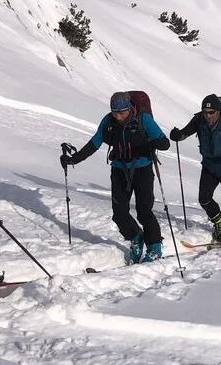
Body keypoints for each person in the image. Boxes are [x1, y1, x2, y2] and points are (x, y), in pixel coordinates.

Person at [61, 92, 171, 264]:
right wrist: (74, 159)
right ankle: (136, 237)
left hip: (142, 169)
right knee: (119, 214)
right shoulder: (108, 121)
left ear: (130, 108)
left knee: (144, 211)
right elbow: (95, 142)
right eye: (115, 113)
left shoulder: (143, 119)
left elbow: (165, 143)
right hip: (119, 169)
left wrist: (154, 143)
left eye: (122, 112)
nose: (119, 117)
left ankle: (155, 246)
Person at [170, 94, 221, 245]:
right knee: (204, 199)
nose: (208, 116)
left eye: (212, 112)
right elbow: (185, 133)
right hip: (209, 166)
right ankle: (219, 222)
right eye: (206, 112)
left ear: (218, 111)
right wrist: (177, 135)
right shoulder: (199, 120)